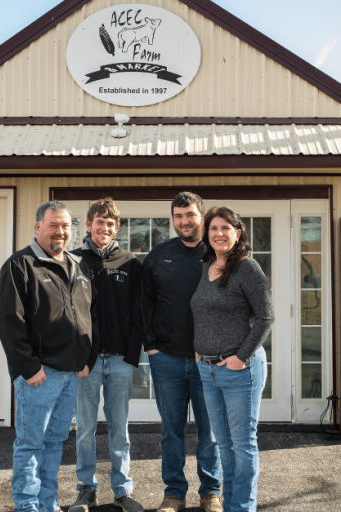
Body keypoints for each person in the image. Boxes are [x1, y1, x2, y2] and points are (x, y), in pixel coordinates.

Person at [0, 200, 99, 512]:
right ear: (37, 227)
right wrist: (28, 367)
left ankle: (47, 503)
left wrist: (87, 358)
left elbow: (88, 314)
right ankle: (27, 507)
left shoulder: (78, 266)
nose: (60, 231)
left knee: (54, 444)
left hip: (70, 374)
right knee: (31, 445)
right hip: (39, 375)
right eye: (53, 225)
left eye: (65, 226)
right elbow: (6, 320)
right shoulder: (20, 266)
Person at [140, 192, 223, 512]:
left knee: (210, 431)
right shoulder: (159, 256)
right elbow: (144, 303)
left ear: (201, 215)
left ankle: (211, 492)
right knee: (171, 431)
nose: (184, 222)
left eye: (189, 215)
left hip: (209, 360)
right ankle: (174, 493)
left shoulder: (218, 253)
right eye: (178, 216)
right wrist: (153, 347)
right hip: (168, 360)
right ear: (172, 219)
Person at [190, 206, 274, 512]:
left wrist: (241, 357)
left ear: (237, 233)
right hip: (208, 371)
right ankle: (231, 506)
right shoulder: (206, 268)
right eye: (213, 228)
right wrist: (199, 349)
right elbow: (204, 313)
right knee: (223, 445)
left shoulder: (247, 269)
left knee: (242, 445)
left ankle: (242, 507)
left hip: (240, 371)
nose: (219, 233)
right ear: (207, 234)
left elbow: (266, 317)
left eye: (226, 228)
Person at [69, 198, 144, 512]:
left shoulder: (129, 263)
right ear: (89, 225)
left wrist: (131, 357)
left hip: (119, 361)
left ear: (117, 227)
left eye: (111, 223)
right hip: (86, 362)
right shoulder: (72, 261)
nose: (105, 228)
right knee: (85, 429)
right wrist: (76, 357)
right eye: (99, 222)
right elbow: (66, 313)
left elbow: (138, 312)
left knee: (119, 428)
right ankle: (86, 489)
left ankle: (122, 491)